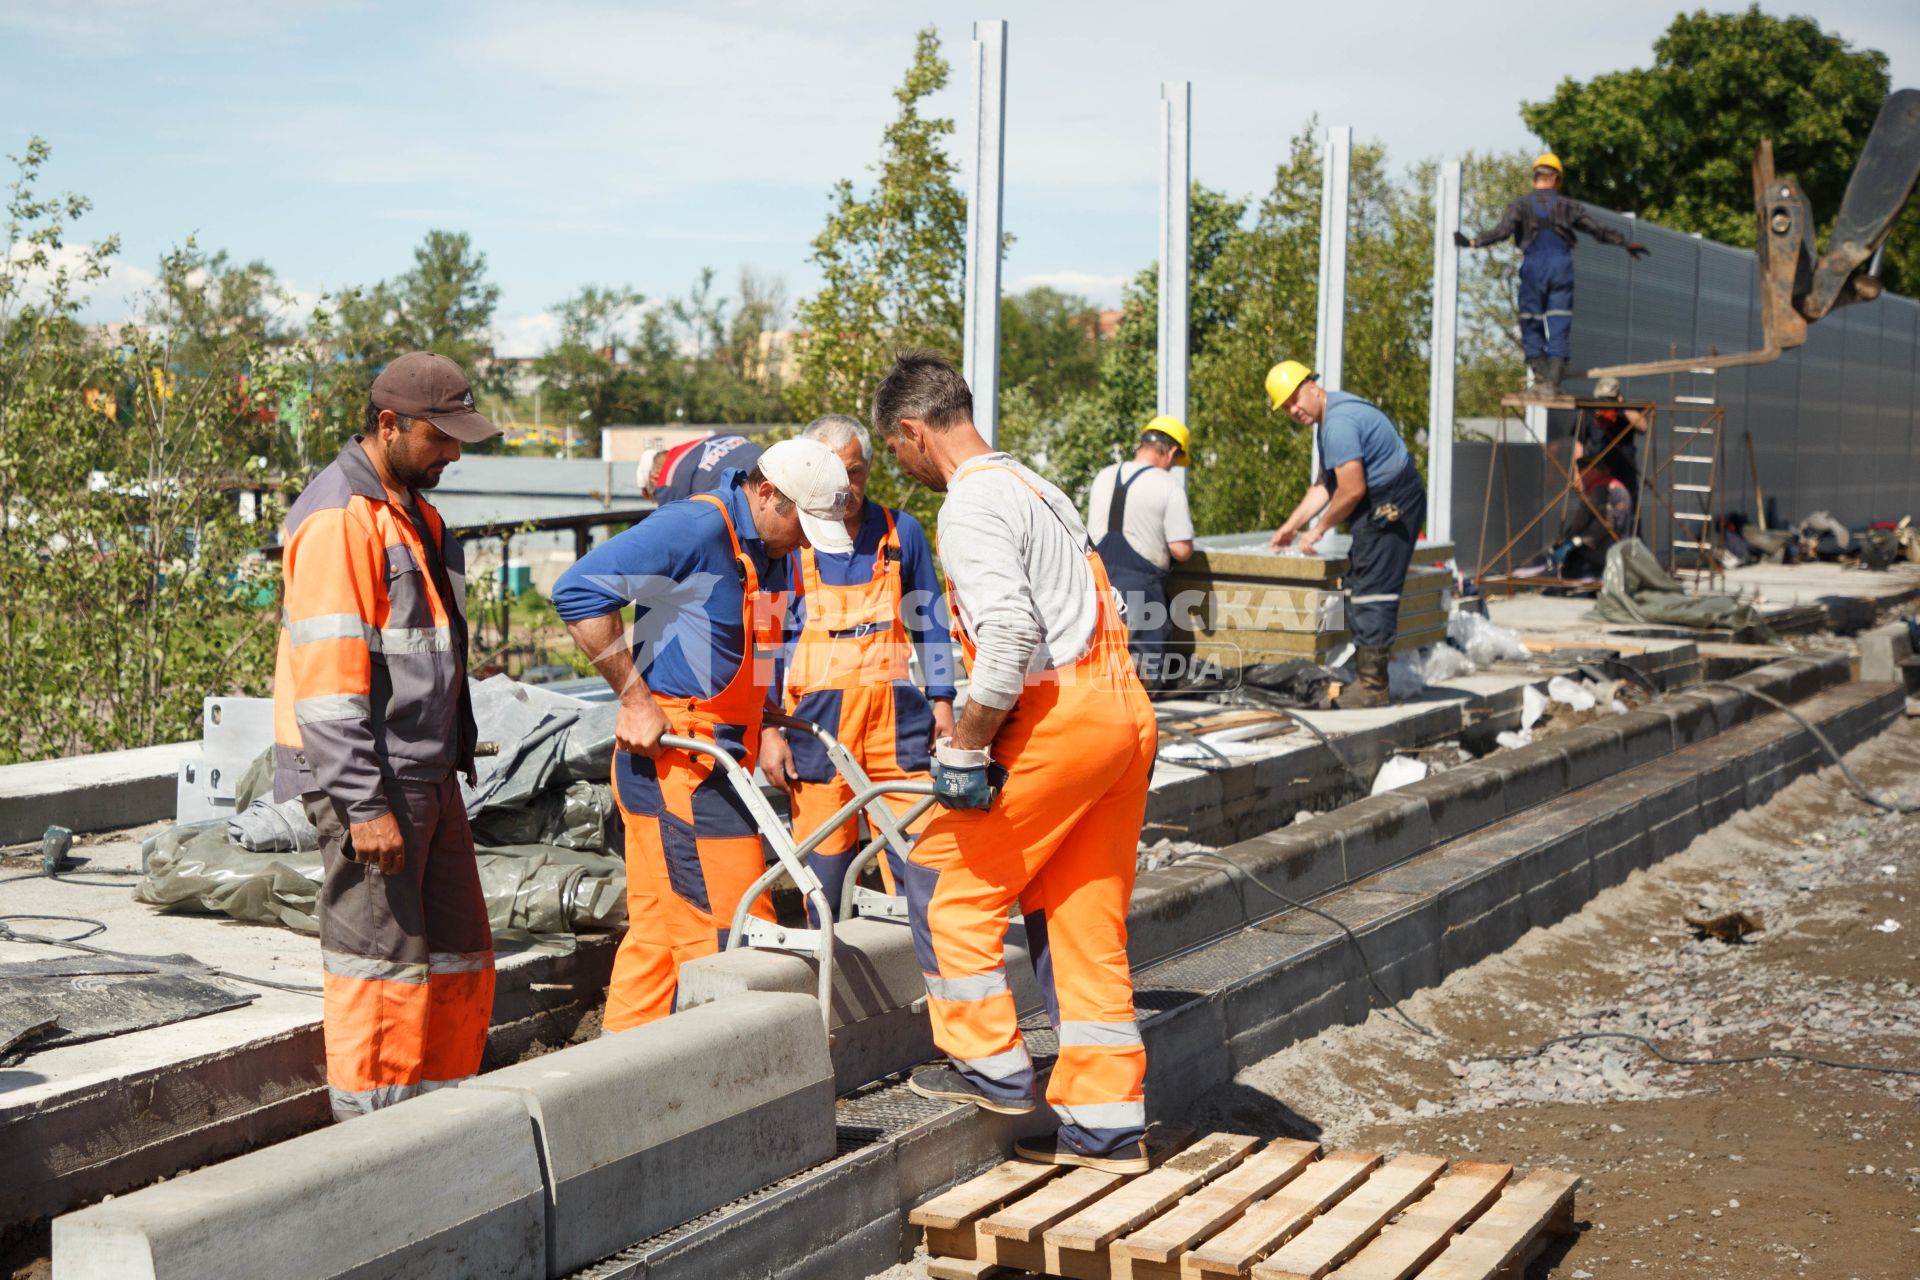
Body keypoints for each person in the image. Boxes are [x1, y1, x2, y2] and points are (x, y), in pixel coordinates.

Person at [871, 351, 1157, 1175]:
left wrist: (964, 744)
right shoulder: (1035, 485)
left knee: (941, 877)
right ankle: (1104, 1131)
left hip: (1065, 716)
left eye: (899, 453)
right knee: (1080, 921)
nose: (905, 468)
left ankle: (987, 1066)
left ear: (915, 433)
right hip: (1122, 712)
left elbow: (1010, 637)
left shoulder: (969, 506)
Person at [550, 439, 853, 1031]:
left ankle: (618, 1078)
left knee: (661, 937)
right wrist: (634, 700)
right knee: (735, 931)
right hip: (676, 763)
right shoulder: (693, 526)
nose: (805, 541)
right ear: (767, 493)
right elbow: (578, 592)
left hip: (722, 758)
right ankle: (737, 1088)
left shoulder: (770, 549)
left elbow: (763, 637)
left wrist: (765, 715)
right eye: (804, 524)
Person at [272, 352, 499, 1121]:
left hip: (425, 774)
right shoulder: (340, 519)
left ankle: (441, 1122)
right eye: (441, 438)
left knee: (460, 956)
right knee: (381, 971)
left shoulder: (411, 514)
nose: (454, 454)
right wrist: (364, 806)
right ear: (388, 425)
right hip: (373, 782)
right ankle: (372, 1143)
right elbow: (329, 689)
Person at [772, 414, 957, 917]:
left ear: (869, 471)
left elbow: (932, 626)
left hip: (897, 725)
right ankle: (832, 980)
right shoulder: (791, 542)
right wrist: (767, 730)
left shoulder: (903, 533)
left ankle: (923, 976)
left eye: (853, 473)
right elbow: (766, 640)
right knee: (824, 873)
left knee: (922, 856)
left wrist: (942, 699)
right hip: (816, 730)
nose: (843, 486)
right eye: (832, 472)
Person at [1264, 360, 1425, 709]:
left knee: (1372, 592)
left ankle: (1372, 686)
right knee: (1362, 584)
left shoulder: (1337, 424)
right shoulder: (1333, 417)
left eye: (1295, 400)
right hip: (1383, 501)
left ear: (1312, 385)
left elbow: (1351, 490)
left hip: (1390, 503)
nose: (1294, 410)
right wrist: (1291, 527)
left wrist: (1318, 530)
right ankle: (1368, 675)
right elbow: (1326, 485)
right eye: (1286, 407)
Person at [1455, 152, 1649, 395]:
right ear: (1557, 179)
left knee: (1530, 319)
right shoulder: (1568, 207)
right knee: (1559, 321)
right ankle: (1553, 381)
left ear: (1535, 176)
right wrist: (1625, 243)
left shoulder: (1520, 206)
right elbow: (1597, 229)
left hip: (1534, 267)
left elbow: (1501, 232)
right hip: (1560, 266)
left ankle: (1541, 376)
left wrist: (1473, 242)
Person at [1085, 416, 1196, 683]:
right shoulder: (1167, 484)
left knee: (1102, 661)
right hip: (1141, 588)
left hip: (1096, 582)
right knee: (1143, 669)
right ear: (1170, 451)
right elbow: (1181, 549)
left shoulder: (1104, 475)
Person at [1577, 377, 1650, 529]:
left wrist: (1621, 406)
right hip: (1598, 474)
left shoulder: (1624, 412)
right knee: (1597, 513)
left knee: (1628, 515)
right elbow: (1579, 442)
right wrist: (1577, 473)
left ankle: (1629, 546)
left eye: (1608, 399)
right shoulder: (1589, 412)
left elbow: (1643, 426)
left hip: (1624, 473)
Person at [638, 432, 766, 505]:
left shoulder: (667, 481)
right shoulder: (693, 449)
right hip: (768, 465)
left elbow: (673, 529)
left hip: (749, 496)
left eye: (654, 495)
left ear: (653, 478)